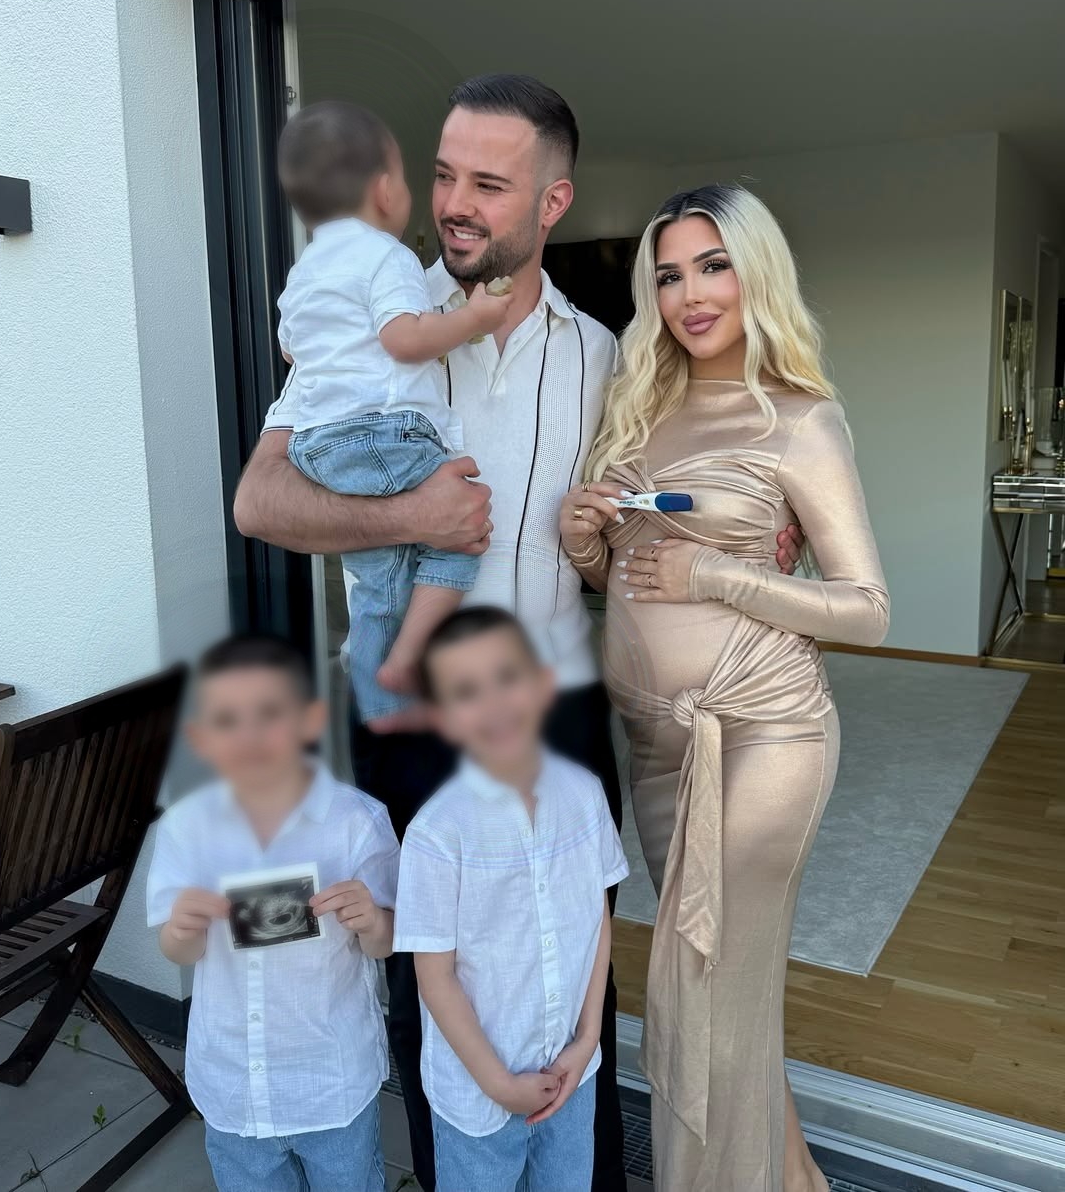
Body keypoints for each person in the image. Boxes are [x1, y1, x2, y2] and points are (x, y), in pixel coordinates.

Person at [233, 76, 803, 1191]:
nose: (455, 204)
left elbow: (664, 490)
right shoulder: (368, 324)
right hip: (412, 719)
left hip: (558, 714)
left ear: (553, 201)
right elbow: (260, 501)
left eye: (489, 185)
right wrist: (409, 518)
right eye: (445, 175)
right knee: (426, 978)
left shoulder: (603, 357)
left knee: (574, 970)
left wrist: (758, 532)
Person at [561, 185, 890, 1192]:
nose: (691, 294)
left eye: (714, 266)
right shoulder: (638, 408)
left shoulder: (800, 419)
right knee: (726, 1001)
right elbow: (627, 575)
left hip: (762, 733)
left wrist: (719, 574)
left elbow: (867, 609)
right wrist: (586, 545)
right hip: (659, 751)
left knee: (699, 1003)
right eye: (669, 275)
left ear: (757, 274)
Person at [276, 100, 516, 732]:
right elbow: (405, 339)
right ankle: (406, 661)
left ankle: (380, 701)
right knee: (463, 524)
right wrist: (473, 318)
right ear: (385, 191)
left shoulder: (303, 272)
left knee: (379, 577)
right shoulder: (387, 257)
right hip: (382, 430)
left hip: (315, 444)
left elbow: (292, 349)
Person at [146, 635, 399, 1192]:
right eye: (228, 720)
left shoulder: (355, 822)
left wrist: (373, 919)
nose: (251, 736)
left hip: (331, 1078)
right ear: (202, 738)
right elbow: (178, 949)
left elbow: (386, 942)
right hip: (233, 1080)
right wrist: (182, 929)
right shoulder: (187, 829)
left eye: (270, 714)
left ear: (310, 721)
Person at [395, 607, 627, 1192]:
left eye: (507, 677)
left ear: (543, 684)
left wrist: (588, 1038)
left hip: (572, 1073)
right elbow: (434, 976)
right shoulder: (437, 833)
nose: (494, 704)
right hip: (477, 1097)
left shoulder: (585, 795)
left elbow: (596, 918)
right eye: (467, 692)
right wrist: (497, 1083)